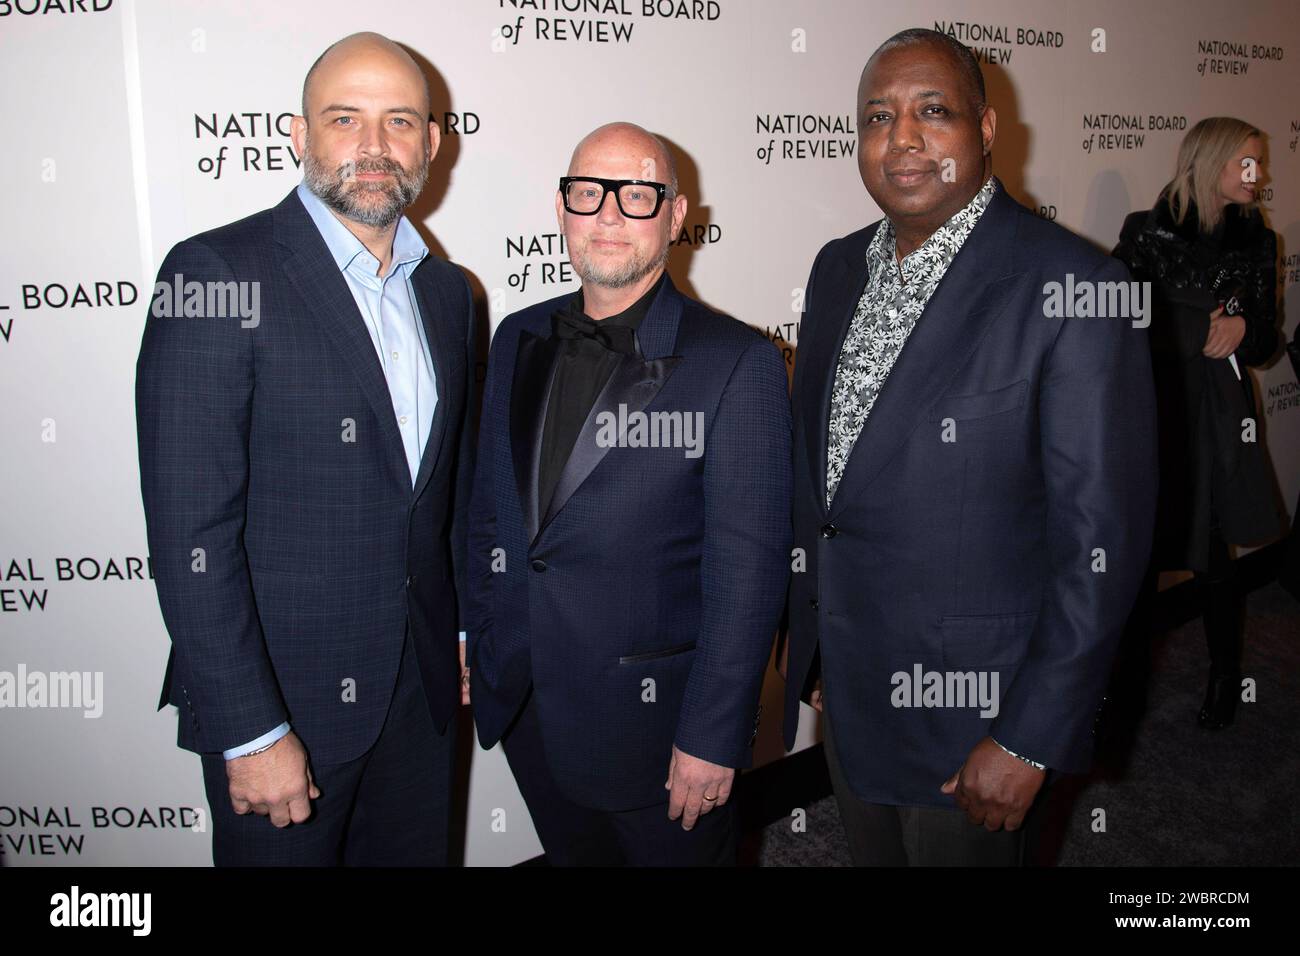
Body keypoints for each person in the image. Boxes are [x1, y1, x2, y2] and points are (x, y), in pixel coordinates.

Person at [780, 28, 1157, 866]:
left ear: (986, 130)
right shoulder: (838, 268)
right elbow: (830, 488)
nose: (901, 137)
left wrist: (1030, 736)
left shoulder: (1077, 288)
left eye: (933, 111)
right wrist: (813, 644)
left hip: (978, 724)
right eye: (877, 115)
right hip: (849, 688)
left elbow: (1103, 543)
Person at [135, 32, 476, 865]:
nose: (372, 146)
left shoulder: (448, 292)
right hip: (285, 710)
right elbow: (192, 536)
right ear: (297, 135)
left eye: (400, 121)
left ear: (432, 142)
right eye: (343, 118)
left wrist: (461, 633)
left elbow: (444, 494)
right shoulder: (216, 271)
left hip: (420, 701)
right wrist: (250, 728)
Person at [465, 122, 791, 866]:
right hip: (528, 705)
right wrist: (481, 634)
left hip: (659, 738)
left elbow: (750, 574)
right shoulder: (516, 335)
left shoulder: (737, 362)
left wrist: (712, 735)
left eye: (637, 194)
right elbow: (490, 510)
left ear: (676, 217)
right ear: (562, 208)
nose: (609, 215)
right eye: (589, 192)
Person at [1112, 117, 1285, 730]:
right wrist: (1191, 327)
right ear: (1212, 162)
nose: (1258, 175)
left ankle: (1225, 672)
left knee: (1214, 549)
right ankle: (1121, 686)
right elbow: (1113, 322)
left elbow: (1265, 337)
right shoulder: (1147, 233)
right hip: (1159, 408)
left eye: (1259, 163)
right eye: (1247, 163)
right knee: (1142, 547)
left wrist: (1244, 329)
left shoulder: (1257, 239)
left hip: (1221, 415)